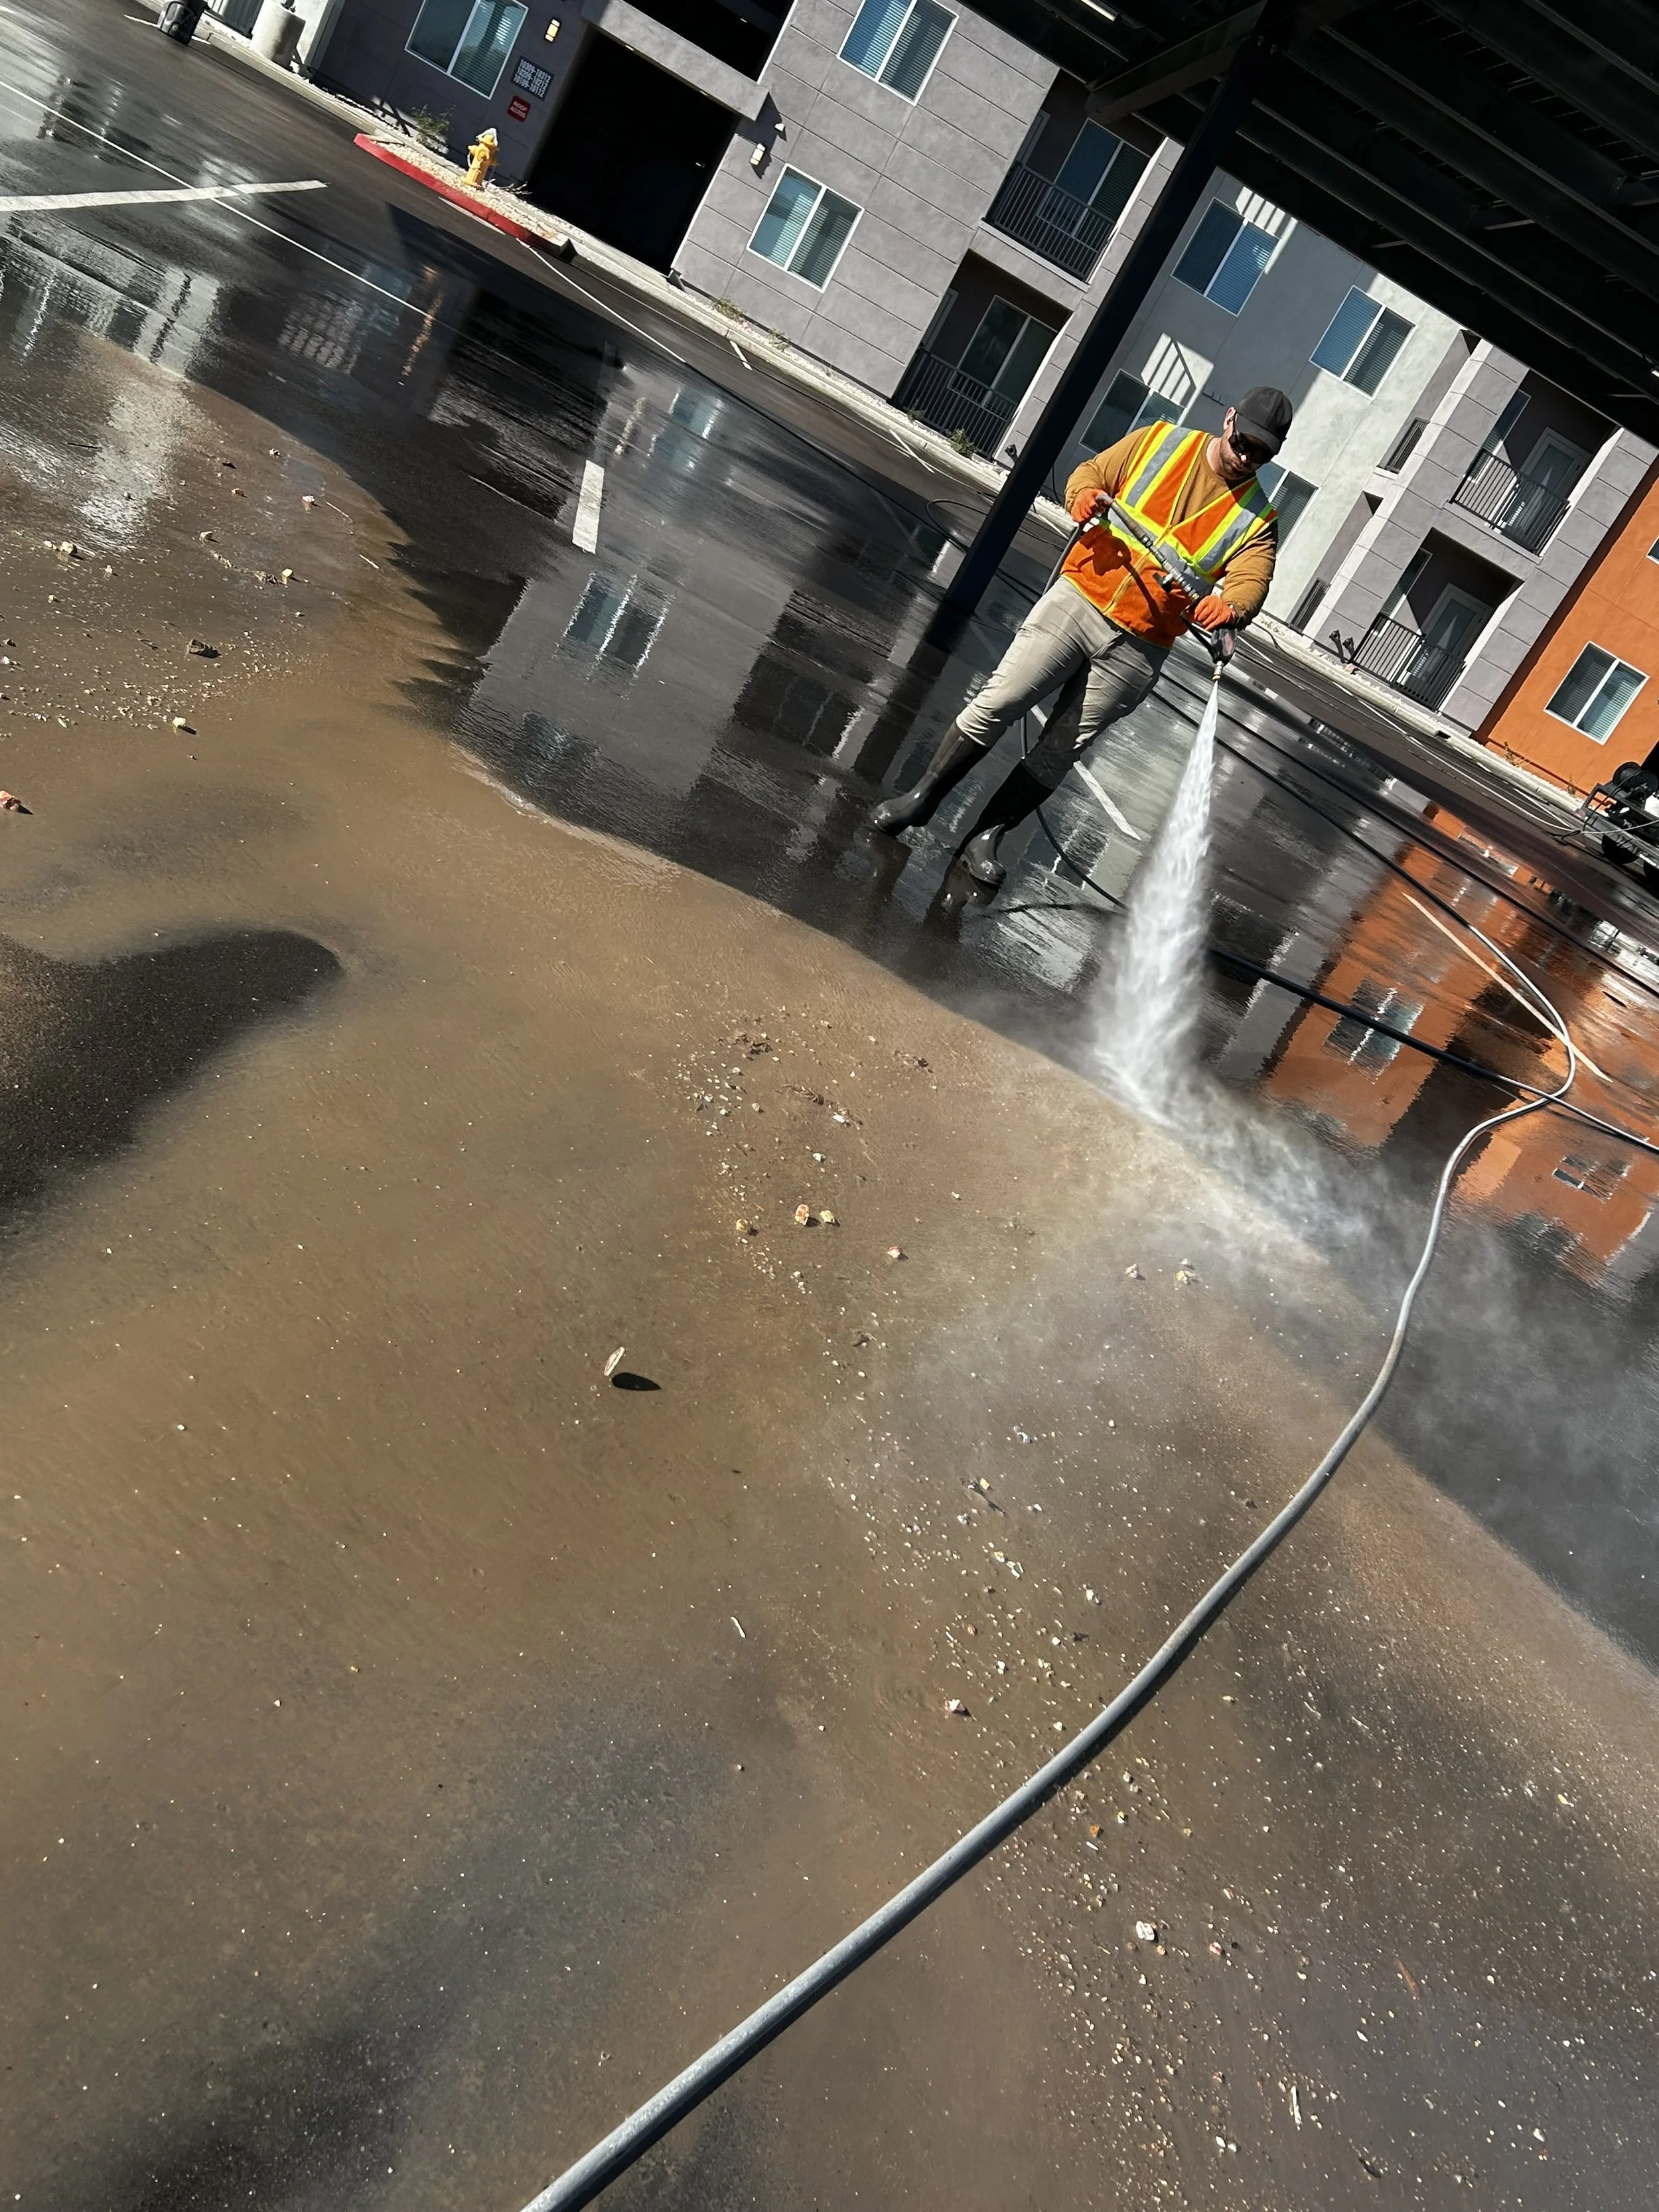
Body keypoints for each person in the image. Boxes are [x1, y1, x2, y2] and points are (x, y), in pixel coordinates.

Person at [871, 386, 1292, 887]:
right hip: (1079, 600)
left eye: (1261, 454)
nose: (1246, 457)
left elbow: (1251, 581)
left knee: (1060, 749)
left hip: (1140, 646)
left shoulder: (1259, 520)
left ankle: (985, 837)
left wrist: (1232, 606)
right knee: (999, 700)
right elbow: (1091, 473)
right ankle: (922, 798)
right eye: (1243, 442)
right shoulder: (1160, 441)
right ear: (1229, 420)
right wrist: (1083, 495)